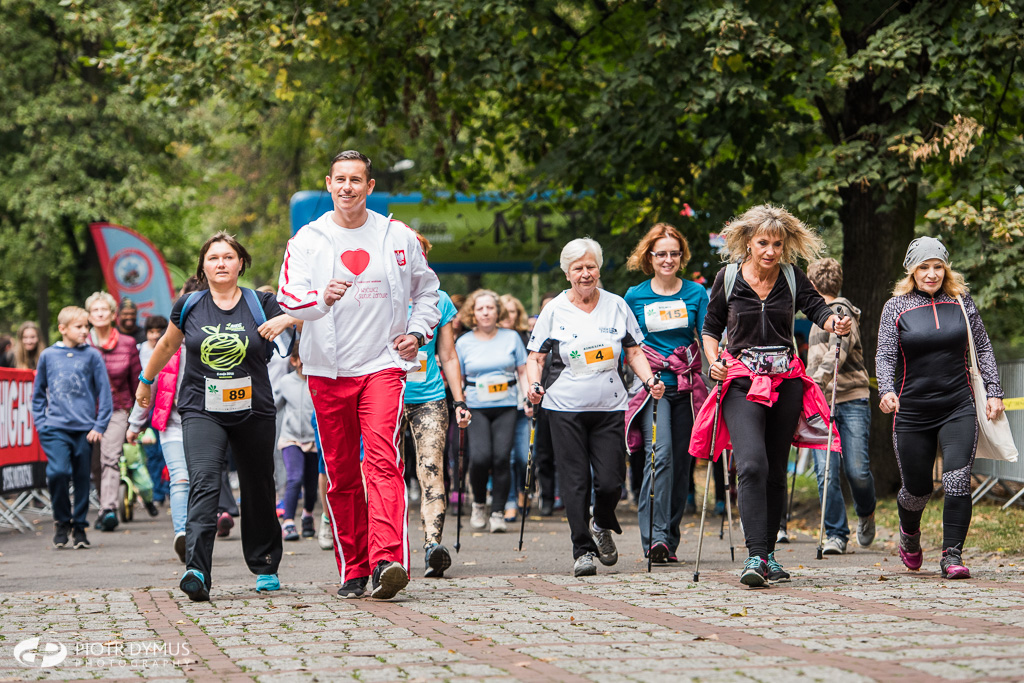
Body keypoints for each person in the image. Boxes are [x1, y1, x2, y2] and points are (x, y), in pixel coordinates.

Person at [276, 149, 441, 600]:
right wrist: (321, 299)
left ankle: (388, 559)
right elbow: (289, 299)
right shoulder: (307, 240)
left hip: (382, 365)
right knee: (343, 473)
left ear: (370, 187)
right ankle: (355, 568)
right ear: (328, 184)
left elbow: (428, 291)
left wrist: (417, 330)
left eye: (357, 180)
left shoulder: (396, 236)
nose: (347, 187)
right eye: (339, 179)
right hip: (327, 370)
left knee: (383, 462)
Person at [696, 204, 850, 587]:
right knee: (751, 465)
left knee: (776, 470)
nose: (770, 251)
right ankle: (754, 556)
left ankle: (768, 556)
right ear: (748, 241)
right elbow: (711, 329)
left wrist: (837, 321)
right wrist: (714, 362)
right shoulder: (728, 278)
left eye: (777, 244)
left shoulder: (792, 277)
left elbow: (818, 310)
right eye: (763, 242)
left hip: (786, 382)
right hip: (741, 382)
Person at [137, 232, 294, 601]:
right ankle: (197, 570)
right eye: (213, 258)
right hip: (201, 408)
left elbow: (306, 315)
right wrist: (146, 381)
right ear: (203, 266)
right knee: (204, 481)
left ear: (241, 264)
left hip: (253, 409)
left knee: (258, 485)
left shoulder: (261, 302)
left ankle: (265, 563)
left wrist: (285, 321)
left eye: (228, 257)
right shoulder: (189, 305)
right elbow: (168, 344)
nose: (221, 263)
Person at [527, 238, 665, 577]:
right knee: (575, 481)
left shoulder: (616, 305)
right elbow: (536, 357)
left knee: (610, 481)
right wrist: (533, 386)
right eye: (578, 268)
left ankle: (602, 523)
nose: (585, 274)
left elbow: (633, 352)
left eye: (590, 267)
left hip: (609, 406)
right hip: (564, 407)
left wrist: (649, 381)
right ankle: (582, 550)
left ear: (598, 270)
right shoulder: (555, 310)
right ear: (567, 273)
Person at [877, 237, 1004, 580]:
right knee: (917, 490)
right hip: (913, 410)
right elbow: (886, 355)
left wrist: (994, 391)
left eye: (937, 266)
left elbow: (984, 348)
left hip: (957, 405)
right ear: (912, 270)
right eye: (924, 267)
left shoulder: (961, 302)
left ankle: (952, 555)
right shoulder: (896, 307)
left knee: (958, 478)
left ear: (945, 268)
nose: (931, 274)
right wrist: (886, 390)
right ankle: (910, 534)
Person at [623, 223, 709, 564]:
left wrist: (718, 367)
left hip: (687, 390)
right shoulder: (635, 296)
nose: (668, 259)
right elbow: (630, 346)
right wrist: (645, 379)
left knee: (681, 466)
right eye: (662, 254)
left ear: (682, 256)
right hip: (653, 390)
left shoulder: (696, 294)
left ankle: (669, 539)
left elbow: (707, 336)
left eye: (675, 253)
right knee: (660, 458)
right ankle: (654, 538)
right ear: (650, 257)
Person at [401, 231, 471, 577]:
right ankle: (388, 548)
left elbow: (448, 354)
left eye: (419, 251)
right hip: (383, 396)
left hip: (428, 397)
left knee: (431, 469)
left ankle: (432, 546)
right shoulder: (379, 293)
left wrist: (459, 400)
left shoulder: (439, 299)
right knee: (384, 474)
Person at [805, 258, 877, 555]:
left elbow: (839, 350)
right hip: (822, 403)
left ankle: (866, 511)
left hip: (851, 398)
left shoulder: (840, 311)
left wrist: (812, 384)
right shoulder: (815, 316)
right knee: (826, 472)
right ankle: (836, 533)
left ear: (811, 285)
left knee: (857, 470)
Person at [128, 277, 202, 563]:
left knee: (202, 482)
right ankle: (184, 534)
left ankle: (200, 533)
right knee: (180, 479)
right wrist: (135, 425)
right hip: (172, 424)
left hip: (208, 424)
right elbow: (148, 387)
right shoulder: (166, 346)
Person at [32, 306, 112, 551]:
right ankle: (61, 521)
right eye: (79, 327)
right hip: (54, 428)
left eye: (86, 327)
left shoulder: (92, 355)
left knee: (81, 479)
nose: (84, 331)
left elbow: (105, 393)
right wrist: (41, 423)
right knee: (57, 473)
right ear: (62, 329)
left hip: (85, 429)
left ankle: (79, 526)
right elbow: (37, 395)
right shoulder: (48, 355)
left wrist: (99, 425)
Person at [457, 289, 529, 533]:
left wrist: (528, 397)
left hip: (506, 405)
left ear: (497, 311)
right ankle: (478, 502)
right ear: (473, 313)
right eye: (480, 308)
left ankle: (498, 511)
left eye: (490, 308)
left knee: (501, 458)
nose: (485, 312)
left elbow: (522, 370)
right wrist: (460, 404)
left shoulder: (511, 338)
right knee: (479, 457)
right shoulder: (464, 342)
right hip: (476, 407)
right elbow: (459, 377)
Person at [86, 290, 142, 532]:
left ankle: (108, 509)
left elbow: (138, 383)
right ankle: (102, 504)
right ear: (89, 316)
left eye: (104, 310)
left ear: (112, 315)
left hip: (117, 410)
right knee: (94, 464)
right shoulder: (82, 344)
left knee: (109, 458)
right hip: (84, 412)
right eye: (95, 310)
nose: (99, 314)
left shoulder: (128, 344)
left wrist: (138, 419)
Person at [274, 342, 319, 542]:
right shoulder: (285, 382)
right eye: (301, 358)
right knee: (294, 477)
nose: (304, 363)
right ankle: (288, 522)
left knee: (311, 484)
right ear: (293, 361)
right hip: (290, 437)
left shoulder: (318, 381)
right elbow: (272, 404)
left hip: (313, 439)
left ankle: (308, 515)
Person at [499, 294, 531, 522]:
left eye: (511, 311)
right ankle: (510, 501)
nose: (508, 316)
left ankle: (523, 490)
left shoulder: (527, 338)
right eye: (503, 311)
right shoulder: (491, 338)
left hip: (523, 405)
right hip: (501, 405)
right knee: (506, 457)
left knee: (523, 456)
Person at [138, 315, 170, 506]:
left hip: (164, 402)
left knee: (166, 450)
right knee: (152, 452)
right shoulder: (140, 351)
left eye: (159, 332)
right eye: (151, 332)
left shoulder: (169, 347)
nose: (155, 336)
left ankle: (167, 490)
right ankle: (155, 493)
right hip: (147, 405)